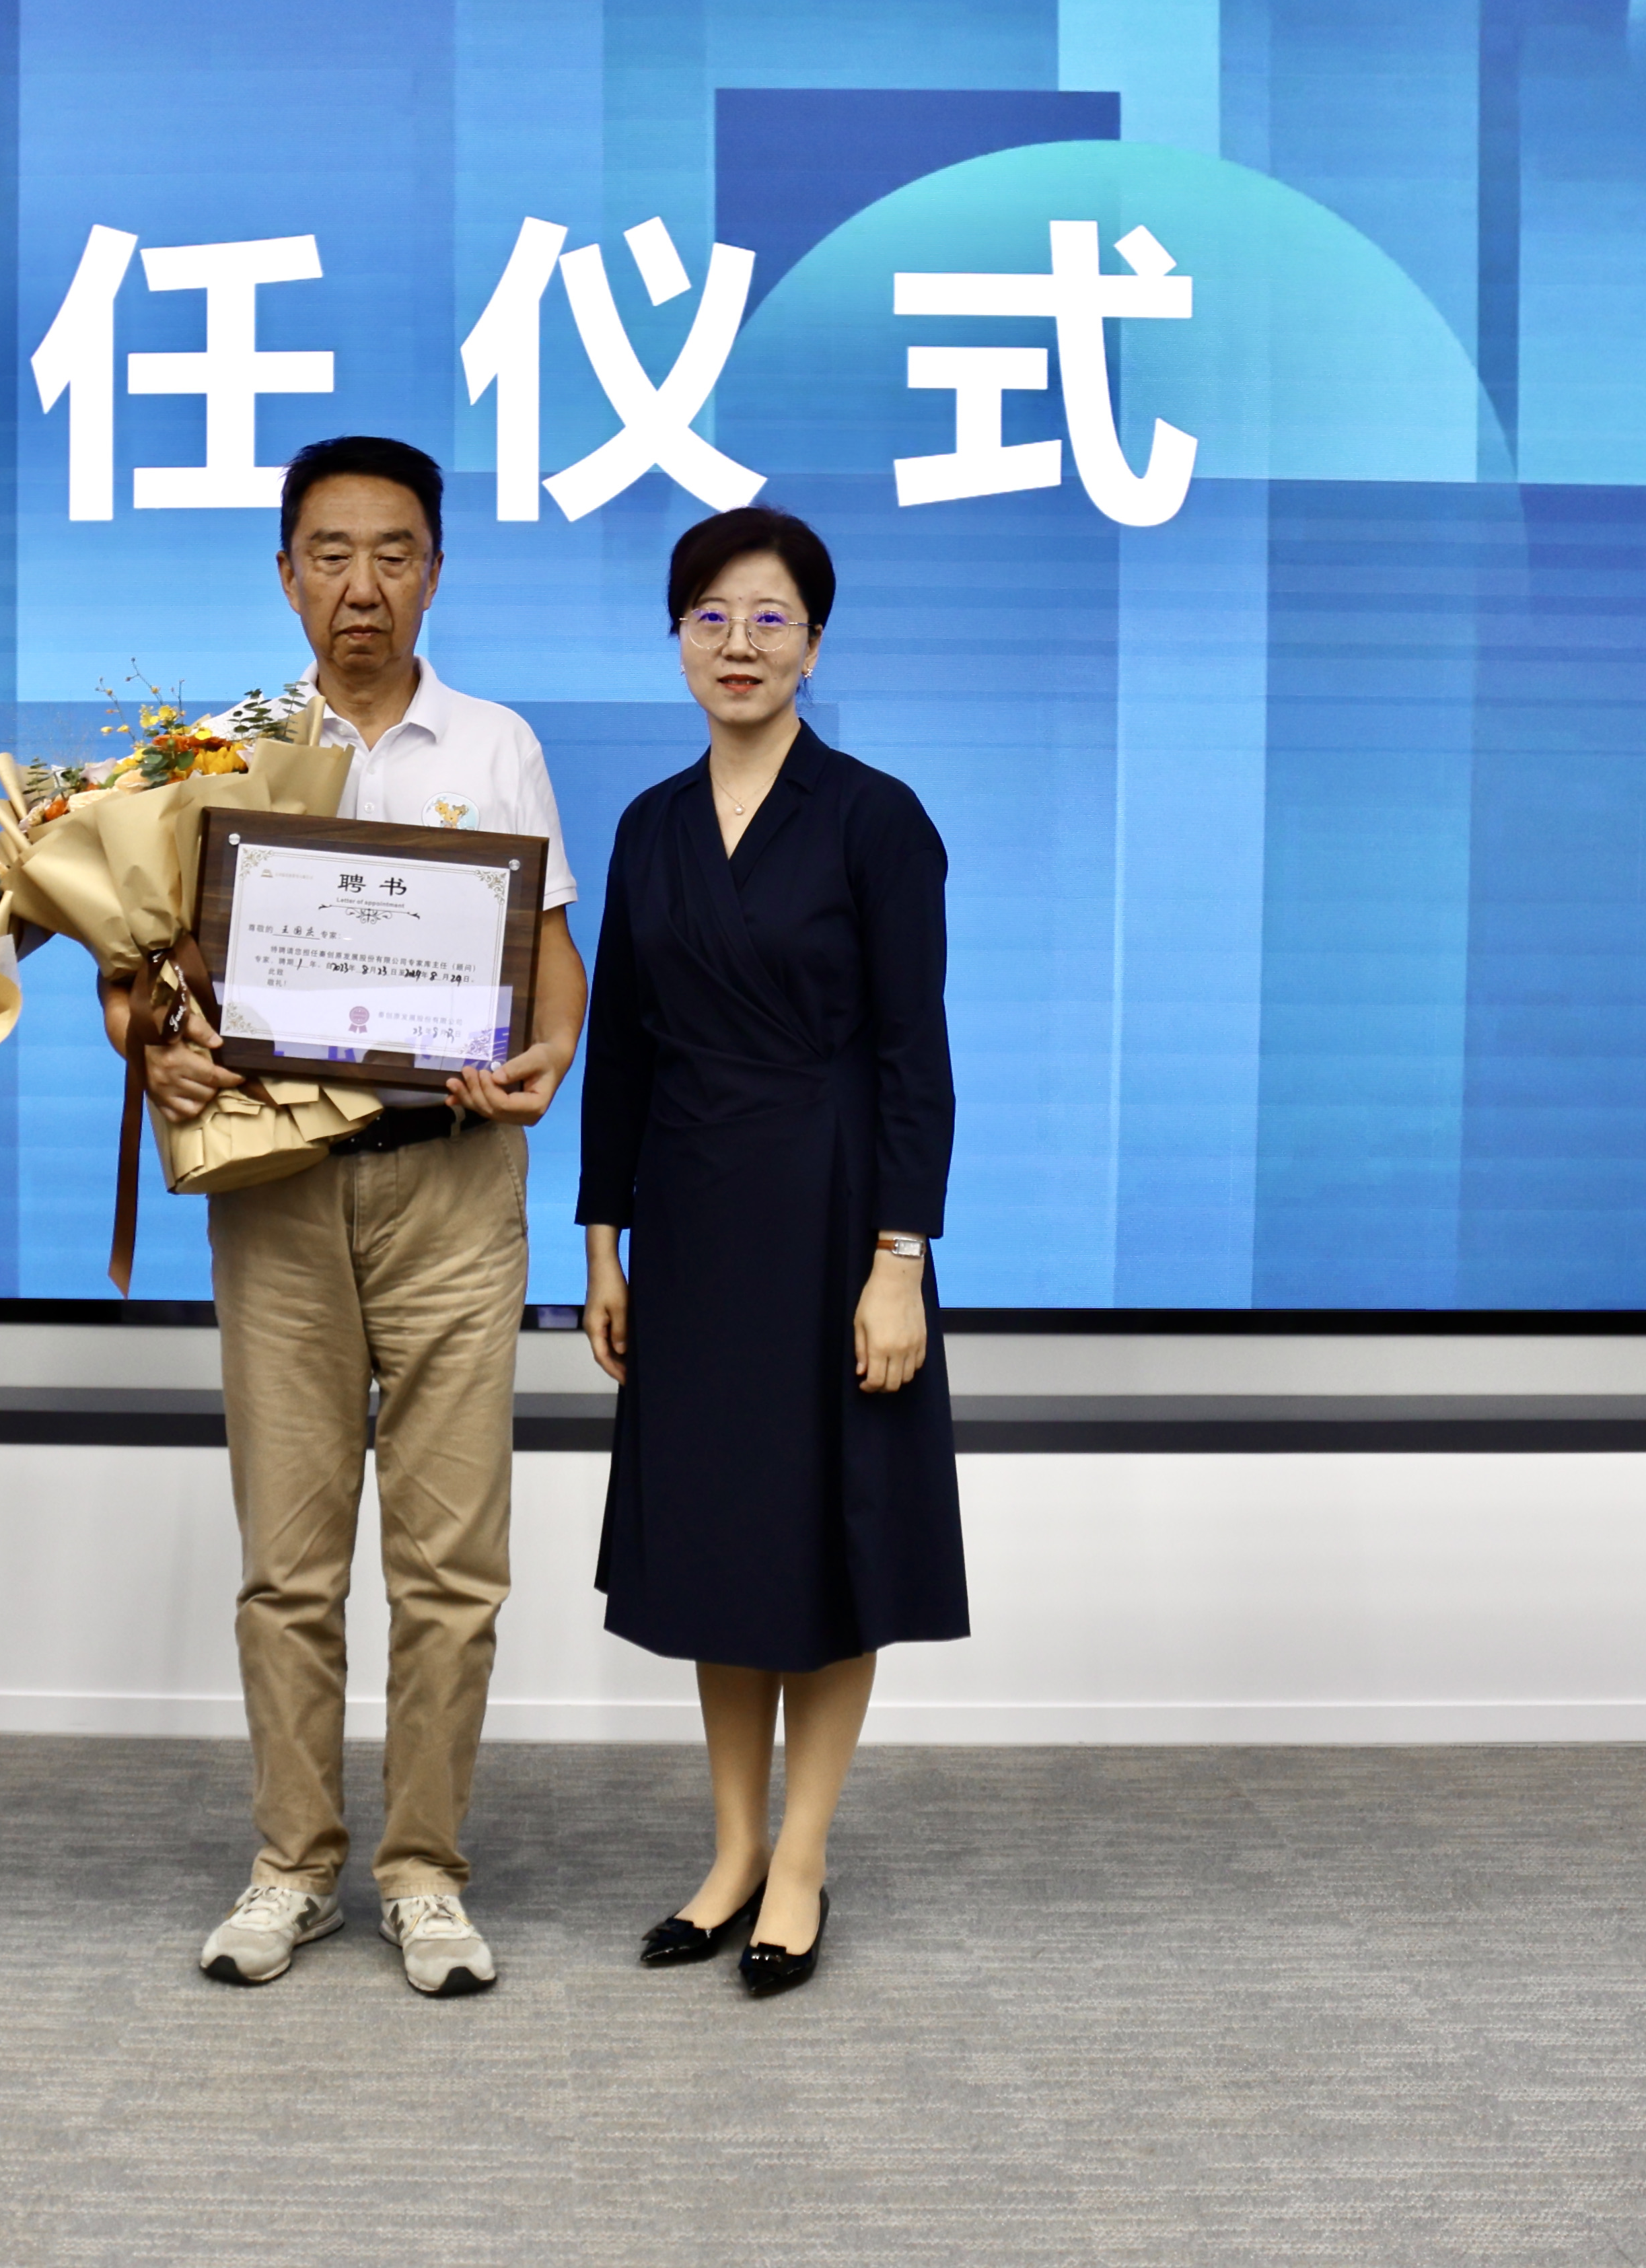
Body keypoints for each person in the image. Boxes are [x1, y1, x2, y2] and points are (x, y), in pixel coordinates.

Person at [107, 435, 588, 1995]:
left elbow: (550, 953)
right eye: (329, 553)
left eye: (392, 553)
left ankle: (425, 1869)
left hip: (453, 1183)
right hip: (279, 1191)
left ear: (433, 571)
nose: (360, 584)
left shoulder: (496, 743)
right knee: (290, 1558)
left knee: (451, 1562)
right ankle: (290, 1862)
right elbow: (140, 971)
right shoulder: (225, 752)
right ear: (284, 574)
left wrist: (551, 1049)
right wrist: (153, 1044)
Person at [574, 506, 965, 1997]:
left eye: (770, 617)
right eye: (710, 617)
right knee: (716, 1541)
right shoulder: (647, 824)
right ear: (677, 638)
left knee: (826, 1537)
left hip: (831, 1216)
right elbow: (622, 1053)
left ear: (814, 640)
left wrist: (897, 1257)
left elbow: (913, 1055)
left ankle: (801, 1857)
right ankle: (731, 1847)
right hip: (688, 1216)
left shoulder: (876, 817)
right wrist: (602, 1244)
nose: (737, 645)